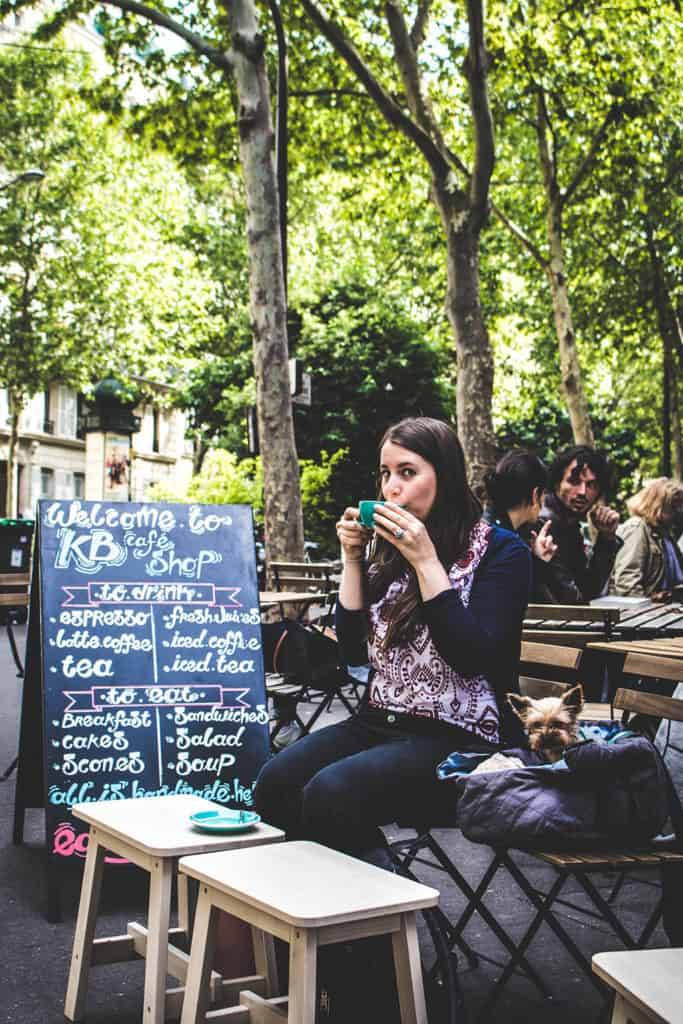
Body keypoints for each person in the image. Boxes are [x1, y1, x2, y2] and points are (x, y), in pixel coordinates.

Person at [254, 417, 532, 869]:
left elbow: (469, 656)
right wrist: (352, 560)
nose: (391, 489)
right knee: (275, 781)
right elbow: (352, 652)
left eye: (407, 472)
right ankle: (351, 913)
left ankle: (373, 923)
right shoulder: (390, 552)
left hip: (463, 738)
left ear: (445, 476)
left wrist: (425, 560)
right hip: (381, 720)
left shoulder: (502, 552)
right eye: (385, 474)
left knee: (332, 792)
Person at [536, 445, 621, 604]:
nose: (582, 492)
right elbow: (571, 599)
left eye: (591, 485)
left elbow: (588, 589)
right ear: (557, 483)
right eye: (574, 481)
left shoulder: (570, 524)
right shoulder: (544, 523)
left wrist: (606, 538)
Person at [483, 449, 558, 596]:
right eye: (543, 494)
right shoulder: (508, 543)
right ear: (535, 494)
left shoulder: (488, 526)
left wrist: (537, 559)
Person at [613, 478, 683, 599]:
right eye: (673, 505)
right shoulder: (637, 528)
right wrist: (647, 608)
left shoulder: (665, 533)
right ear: (658, 503)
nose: (679, 510)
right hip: (643, 613)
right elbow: (627, 583)